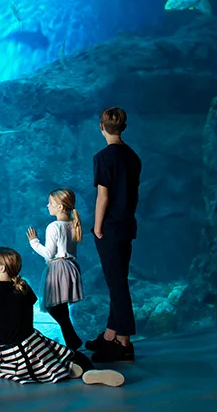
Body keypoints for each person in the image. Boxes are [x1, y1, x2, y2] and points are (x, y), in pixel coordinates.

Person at [0, 247, 124, 387]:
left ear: (2, 268)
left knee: (18, 369)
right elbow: (27, 323)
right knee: (67, 353)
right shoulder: (24, 287)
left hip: (13, 354)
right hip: (35, 342)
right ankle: (83, 369)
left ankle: (62, 369)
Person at [86, 106, 142, 363]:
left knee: (117, 285)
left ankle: (124, 343)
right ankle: (110, 335)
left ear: (101, 127)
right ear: (123, 127)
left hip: (110, 228)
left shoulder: (103, 157)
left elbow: (103, 196)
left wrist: (98, 227)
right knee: (117, 282)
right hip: (127, 225)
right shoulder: (133, 157)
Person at [26, 188, 85, 352]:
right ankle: (72, 341)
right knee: (60, 306)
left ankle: (72, 340)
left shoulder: (54, 226)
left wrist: (34, 242)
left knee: (53, 306)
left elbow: (49, 253)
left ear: (60, 207)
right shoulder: (74, 224)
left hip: (58, 268)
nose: (48, 205)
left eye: (51, 202)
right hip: (71, 267)